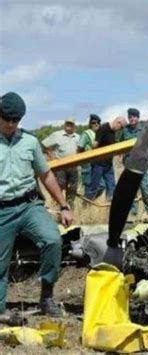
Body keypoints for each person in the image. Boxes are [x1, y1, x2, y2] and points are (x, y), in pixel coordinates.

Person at [0, 92, 74, 320]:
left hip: (29, 205)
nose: (11, 124)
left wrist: (63, 205)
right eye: (7, 119)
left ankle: (47, 297)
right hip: (2, 210)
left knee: (52, 240)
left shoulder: (30, 142)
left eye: (16, 120)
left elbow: (46, 174)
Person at [118, 108, 148, 222]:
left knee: (145, 189)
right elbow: (120, 145)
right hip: (129, 164)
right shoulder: (125, 131)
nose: (132, 119)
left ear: (138, 118)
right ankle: (132, 215)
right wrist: (121, 157)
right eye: (130, 117)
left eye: (134, 117)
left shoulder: (144, 129)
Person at [85, 116, 127, 201]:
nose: (120, 129)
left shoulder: (113, 132)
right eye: (121, 127)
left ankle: (109, 208)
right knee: (94, 188)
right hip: (98, 164)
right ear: (118, 122)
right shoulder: (103, 128)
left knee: (112, 188)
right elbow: (94, 145)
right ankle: (86, 205)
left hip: (108, 165)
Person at [42, 117, 80, 209]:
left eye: (71, 124)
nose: (69, 126)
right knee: (59, 187)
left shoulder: (78, 137)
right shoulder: (57, 135)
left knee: (72, 189)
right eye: (67, 123)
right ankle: (57, 208)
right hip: (60, 167)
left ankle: (70, 209)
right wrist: (51, 158)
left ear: (74, 126)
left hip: (73, 166)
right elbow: (44, 145)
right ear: (64, 124)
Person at [77, 114, 104, 199]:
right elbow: (79, 148)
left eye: (98, 122)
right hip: (88, 164)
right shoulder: (86, 134)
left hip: (97, 164)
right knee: (89, 186)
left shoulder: (100, 134)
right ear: (90, 124)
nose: (96, 124)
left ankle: (90, 201)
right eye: (93, 122)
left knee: (102, 185)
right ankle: (86, 206)